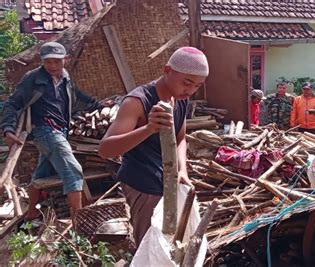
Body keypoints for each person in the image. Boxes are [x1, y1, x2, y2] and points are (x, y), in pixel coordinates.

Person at [98, 47, 208, 246]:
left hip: (170, 182)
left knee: (172, 244)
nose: (190, 90)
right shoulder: (137, 102)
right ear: (167, 70)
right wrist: (149, 128)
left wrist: (182, 170)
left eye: (197, 86)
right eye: (187, 83)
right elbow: (105, 150)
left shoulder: (180, 99)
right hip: (143, 184)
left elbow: (181, 138)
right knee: (149, 246)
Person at [1, 42, 104, 221]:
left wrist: (99, 105)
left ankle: (31, 212)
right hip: (45, 131)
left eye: (57, 61)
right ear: (43, 62)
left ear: (65, 59)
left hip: (61, 130)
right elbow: (13, 103)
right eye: (48, 62)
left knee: (43, 173)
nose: (53, 66)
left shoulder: (65, 77)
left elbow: (77, 95)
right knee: (74, 171)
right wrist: (8, 129)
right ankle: (78, 223)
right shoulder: (33, 78)